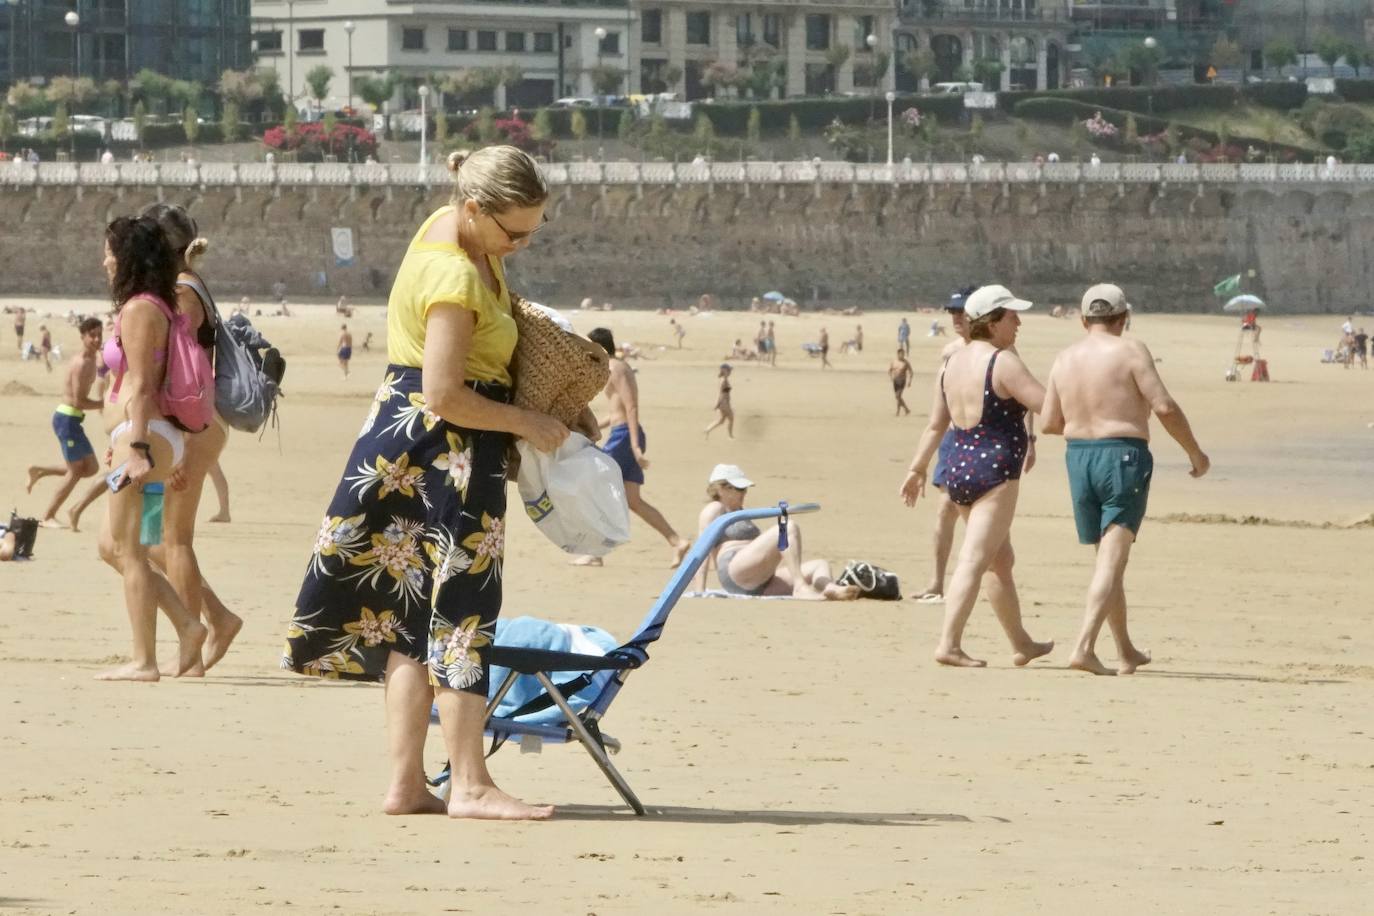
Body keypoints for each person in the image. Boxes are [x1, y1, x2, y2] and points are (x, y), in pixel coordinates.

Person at [282, 146, 567, 820]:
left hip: (403, 444)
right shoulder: (453, 274)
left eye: (534, 229)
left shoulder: (449, 231)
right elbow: (444, 392)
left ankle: (407, 784)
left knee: (412, 624)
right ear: (474, 209)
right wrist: (528, 420)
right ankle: (469, 784)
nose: (522, 244)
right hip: (447, 453)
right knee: (464, 614)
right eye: (514, 232)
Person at [1041, 283, 1210, 676]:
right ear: (1124, 319)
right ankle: (1083, 646)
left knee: (1106, 561)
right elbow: (1164, 406)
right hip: (1122, 455)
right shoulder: (1131, 349)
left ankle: (1125, 650)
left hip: (1078, 457)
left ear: (1084, 321)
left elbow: (1050, 422)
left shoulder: (1064, 358)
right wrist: (1195, 453)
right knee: (1112, 559)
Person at [899, 285, 1054, 668]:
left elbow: (936, 426)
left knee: (998, 560)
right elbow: (1048, 406)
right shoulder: (1002, 362)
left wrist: (917, 468)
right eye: (1012, 316)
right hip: (996, 472)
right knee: (974, 558)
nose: (1018, 322)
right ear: (994, 321)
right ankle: (948, 644)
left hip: (959, 468)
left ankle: (1021, 643)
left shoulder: (951, 364)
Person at [94, 215, 209, 682]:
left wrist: (136, 446)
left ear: (128, 259)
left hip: (145, 440)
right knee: (119, 544)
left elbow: (140, 385)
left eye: (109, 252)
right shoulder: (158, 305)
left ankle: (144, 659)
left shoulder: (140, 309)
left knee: (127, 549)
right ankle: (187, 624)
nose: (104, 260)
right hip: (156, 442)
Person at [139, 202, 242, 674]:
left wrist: (177, 443)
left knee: (172, 539)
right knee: (148, 536)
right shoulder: (189, 285)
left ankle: (192, 649)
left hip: (191, 429)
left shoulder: (182, 291)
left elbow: (183, 375)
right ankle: (215, 619)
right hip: (189, 428)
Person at [574, 326, 691, 569]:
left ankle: (595, 553)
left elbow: (631, 408)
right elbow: (616, 414)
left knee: (594, 486)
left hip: (625, 437)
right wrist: (591, 427)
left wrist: (636, 447)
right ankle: (677, 541)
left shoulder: (617, 368)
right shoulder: (611, 368)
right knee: (633, 500)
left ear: (598, 346)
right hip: (622, 434)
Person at [698, 464, 859, 601]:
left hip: (760, 580)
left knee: (819, 565)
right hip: (735, 570)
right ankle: (800, 587)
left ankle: (831, 588)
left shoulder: (740, 511)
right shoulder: (715, 508)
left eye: (745, 489)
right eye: (739, 488)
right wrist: (700, 591)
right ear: (721, 489)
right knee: (787, 527)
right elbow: (701, 551)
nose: (744, 493)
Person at [26, 317, 104, 526]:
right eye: (92, 335)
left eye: (99, 334)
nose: (97, 339)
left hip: (72, 420)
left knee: (91, 468)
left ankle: (39, 470)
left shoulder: (92, 360)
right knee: (76, 471)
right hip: (67, 419)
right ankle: (48, 516)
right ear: (83, 337)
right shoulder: (81, 363)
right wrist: (103, 404)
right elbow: (78, 401)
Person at [704, 363, 734, 439]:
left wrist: (718, 404)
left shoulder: (724, 380)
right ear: (725, 371)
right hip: (724, 403)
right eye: (729, 370)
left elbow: (723, 393)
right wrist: (719, 404)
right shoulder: (724, 381)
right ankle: (730, 437)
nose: (730, 371)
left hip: (724, 403)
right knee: (731, 418)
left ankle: (708, 430)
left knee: (722, 420)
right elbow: (722, 394)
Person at [888, 348, 913, 416]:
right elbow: (889, 370)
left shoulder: (906, 362)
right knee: (898, 397)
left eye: (903, 354)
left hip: (902, 381)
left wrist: (909, 381)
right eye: (901, 354)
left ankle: (900, 410)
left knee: (898, 396)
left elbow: (911, 372)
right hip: (895, 380)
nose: (902, 355)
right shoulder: (894, 362)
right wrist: (891, 377)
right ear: (898, 354)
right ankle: (905, 410)